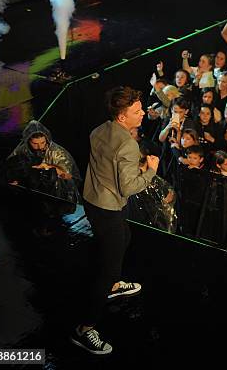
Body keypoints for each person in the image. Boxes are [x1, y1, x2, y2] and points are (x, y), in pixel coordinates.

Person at [71, 86, 159, 355]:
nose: (143, 113)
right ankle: (85, 329)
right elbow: (129, 187)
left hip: (94, 199)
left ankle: (114, 283)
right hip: (108, 207)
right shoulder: (128, 145)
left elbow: (107, 165)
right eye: (137, 111)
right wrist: (150, 170)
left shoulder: (99, 130)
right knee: (107, 268)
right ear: (122, 117)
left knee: (125, 237)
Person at [6, 120, 81, 203]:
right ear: (28, 141)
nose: (40, 146)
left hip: (60, 195)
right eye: (35, 143)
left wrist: (49, 168)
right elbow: (10, 165)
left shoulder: (58, 153)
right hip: (35, 193)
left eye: (43, 142)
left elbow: (69, 177)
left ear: (47, 139)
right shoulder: (23, 149)